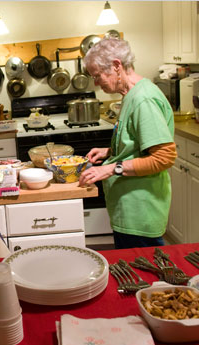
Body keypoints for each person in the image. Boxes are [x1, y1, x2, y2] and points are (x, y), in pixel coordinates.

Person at [78, 38, 176, 249]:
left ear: (116, 66)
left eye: (97, 76)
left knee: (141, 275)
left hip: (140, 210)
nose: (96, 83)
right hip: (129, 209)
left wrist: (111, 168)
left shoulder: (143, 100)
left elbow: (164, 157)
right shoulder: (131, 94)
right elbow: (141, 143)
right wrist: (111, 151)